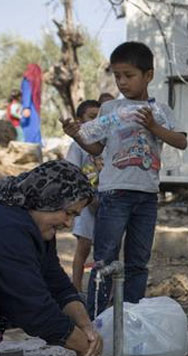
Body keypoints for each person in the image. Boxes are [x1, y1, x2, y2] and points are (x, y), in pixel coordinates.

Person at [62, 41, 188, 318]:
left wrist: (153, 126)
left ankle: (130, 319)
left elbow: (181, 141)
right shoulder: (110, 110)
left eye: (128, 75)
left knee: (138, 262)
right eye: (117, 76)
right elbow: (97, 148)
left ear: (148, 75)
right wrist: (77, 135)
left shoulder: (160, 111)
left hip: (147, 196)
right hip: (113, 194)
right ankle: (96, 320)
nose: (121, 82)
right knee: (104, 260)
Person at [0, 160, 102, 356]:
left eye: (75, 216)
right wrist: (84, 346)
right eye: (69, 213)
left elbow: (56, 284)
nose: (69, 224)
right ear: (47, 199)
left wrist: (86, 328)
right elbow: (33, 308)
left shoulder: (36, 225)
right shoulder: (9, 229)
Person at [65, 100, 104, 292]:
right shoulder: (78, 146)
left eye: (99, 117)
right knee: (84, 246)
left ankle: (102, 291)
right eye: (91, 117)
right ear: (79, 121)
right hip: (86, 204)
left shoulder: (106, 142)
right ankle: (76, 289)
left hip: (106, 200)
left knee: (105, 249)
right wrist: (85, 198)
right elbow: (72, 172)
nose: (96, 121)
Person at [20, 63, 42, 145]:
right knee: (35, 131)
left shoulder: (27, 79)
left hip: (29, 108)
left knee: (29, 131)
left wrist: (26, 107)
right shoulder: (35, 81)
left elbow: (27, 93)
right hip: (34, 109)